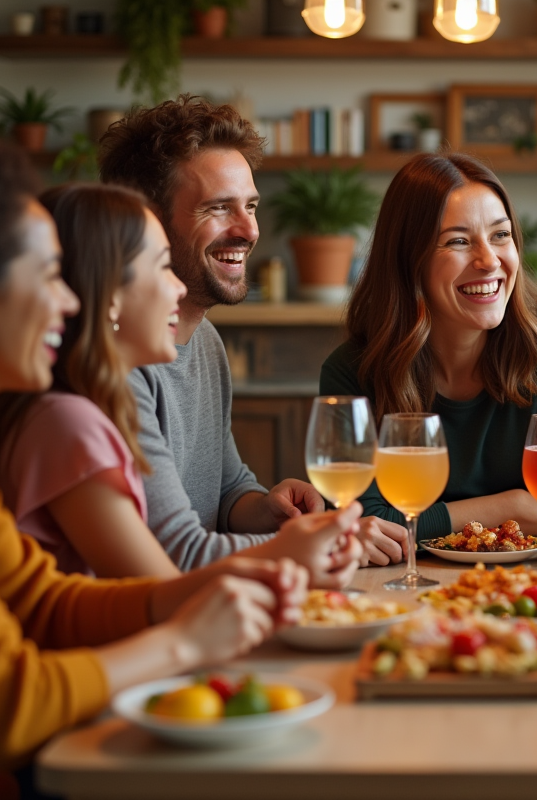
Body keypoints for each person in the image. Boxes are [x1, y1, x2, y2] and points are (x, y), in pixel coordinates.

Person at [0, 116, 325, 800]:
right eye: (49, 277)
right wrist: (185, 641)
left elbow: (45, 604)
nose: (72, 300)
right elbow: (0, 713)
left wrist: (209, 592)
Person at [0, 183, 361, 583]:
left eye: (250, 205)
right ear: (110, 294)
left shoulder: (192, 349)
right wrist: (301, 548)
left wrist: (282, 524)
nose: (177, 288)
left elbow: (223, 494)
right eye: (162, 265)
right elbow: (166, 578)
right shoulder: (71, 418)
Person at [98, 95, 409, 569]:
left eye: (251, 206)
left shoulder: (205, 340)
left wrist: (266, 507)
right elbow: (176, 551)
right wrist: (323, 544)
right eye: (219, 208)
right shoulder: (116, 360)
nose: (249, 229)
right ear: (147, 223)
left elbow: (225, 490)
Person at [319, 153, 537, 561]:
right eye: (457, 241)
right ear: (408, 261)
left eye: (501, 235)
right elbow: (362, 528)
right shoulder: (352, 372)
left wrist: (424, 522)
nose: (489, 260)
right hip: (397, 593)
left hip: (535, 590)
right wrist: (514, 507)